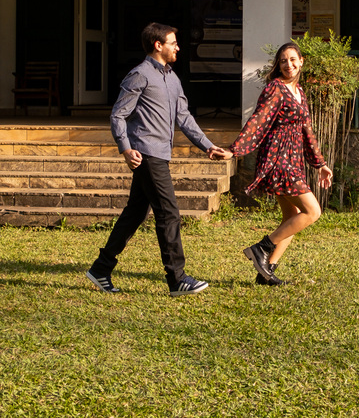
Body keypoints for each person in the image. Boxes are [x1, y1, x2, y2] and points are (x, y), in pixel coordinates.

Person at [85, 22, 222, 297]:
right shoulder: (139, 75)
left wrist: (207, 146)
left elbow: (183, 117)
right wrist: (125, 148)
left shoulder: (172, 77)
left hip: (160, 152)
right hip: (146, 154)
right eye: (173, 43)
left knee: (135, 213)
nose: (178, 47)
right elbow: (118, 115)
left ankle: (101, 268)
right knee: (168, 212)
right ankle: (177, 279)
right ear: (158, 45)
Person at [209, 41, 332, 286]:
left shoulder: (299, 93)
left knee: (293, 216)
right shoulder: (275, 88)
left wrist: (319, 164)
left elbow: (307, 131)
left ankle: (266, 271)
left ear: (301, 61)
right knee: (312, 212)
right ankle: (261, 248)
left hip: (293, 160)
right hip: (278, 160)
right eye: (284, 61)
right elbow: (259, 121)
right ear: (279, 64)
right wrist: (235, 151)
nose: (289, 65)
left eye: (293, 59)